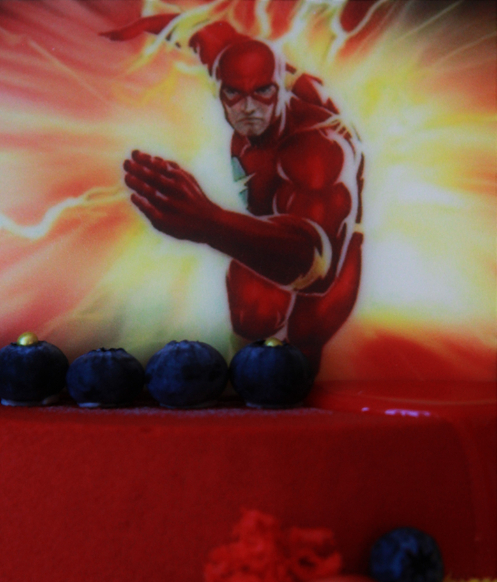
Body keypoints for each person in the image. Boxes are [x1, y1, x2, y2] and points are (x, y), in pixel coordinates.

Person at [102, 17, 364, 373]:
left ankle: (290, 396)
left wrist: (209, 223)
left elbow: (318, 266)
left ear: (282, 86)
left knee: (307, 333)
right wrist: (143, 24)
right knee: (251, 314)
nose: (249, 107)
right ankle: (247, 385)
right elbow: (202, 34)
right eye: (234, 94)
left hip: (330, 236)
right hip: (271, 219)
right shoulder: (235, 64)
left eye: (263, 91)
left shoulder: (318, 147)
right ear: (219, 89)